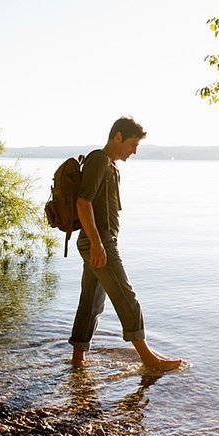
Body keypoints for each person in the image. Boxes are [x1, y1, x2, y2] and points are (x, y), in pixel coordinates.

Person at [69, 116, 183, 371]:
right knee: (126, 297)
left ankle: (78, 358)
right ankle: (148, 358)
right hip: (99, 242)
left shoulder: (108, 164)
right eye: (132, 144)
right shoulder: (98, 160)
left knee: (91, 302)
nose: (134, 151)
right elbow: (82, 202)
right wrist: (98, 244)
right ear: (117, 136)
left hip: (98, 241)